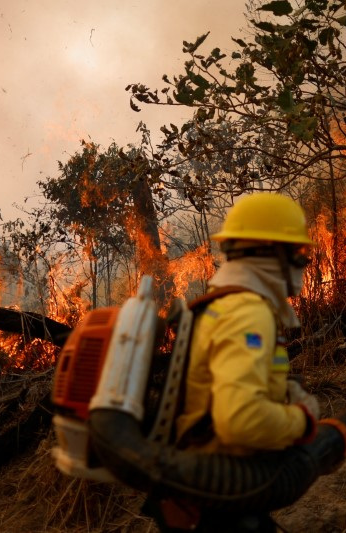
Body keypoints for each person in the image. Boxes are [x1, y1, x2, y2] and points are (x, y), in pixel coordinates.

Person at [144, 193, 321, 532]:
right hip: (215, 502)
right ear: (271, 252)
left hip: (203, 492)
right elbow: (240, 420)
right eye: (298, 252)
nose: (304, 262)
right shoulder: (247, 313)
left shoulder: (226, 305)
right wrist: (301, 420)